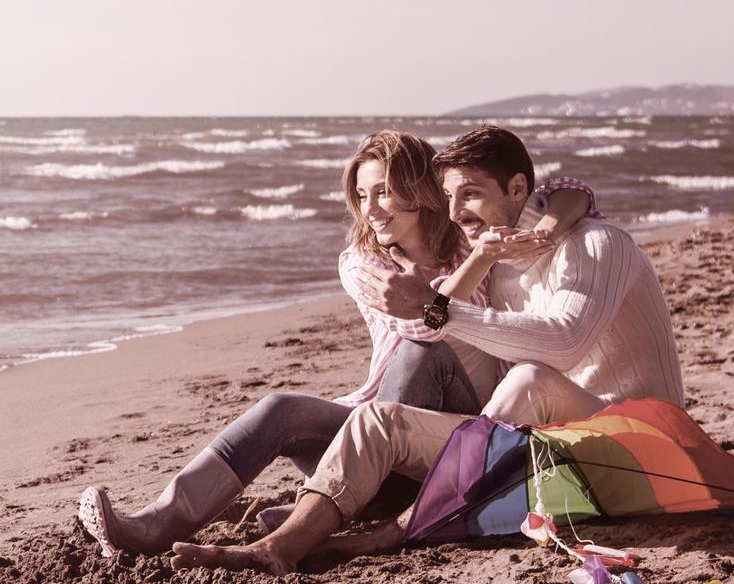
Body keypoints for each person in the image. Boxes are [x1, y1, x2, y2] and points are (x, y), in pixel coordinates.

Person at [174, 125, 684, 578]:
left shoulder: (599, 244)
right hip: (547, 442)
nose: (457, 210)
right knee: (377, 421)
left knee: (527, 376)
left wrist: (438, 309)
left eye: (472, 194)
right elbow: (561, 196)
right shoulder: (494, 255)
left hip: (638, 441)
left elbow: (565, 341)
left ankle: (398, 523)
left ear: (518, 189)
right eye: (449, 196)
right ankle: (280, 547)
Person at [75, 130, 589, 560]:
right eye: (362, 196)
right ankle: (160, 522)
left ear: (422, 188)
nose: (371, 210)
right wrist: (482, 259)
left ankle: (332, 513)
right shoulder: (364, 265)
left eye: (385, 192)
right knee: (281, 408)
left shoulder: (466, 233)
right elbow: (428, 323)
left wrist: (538, 233)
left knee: (425, 355)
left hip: (451, 438)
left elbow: (573, 188)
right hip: (375, 427)